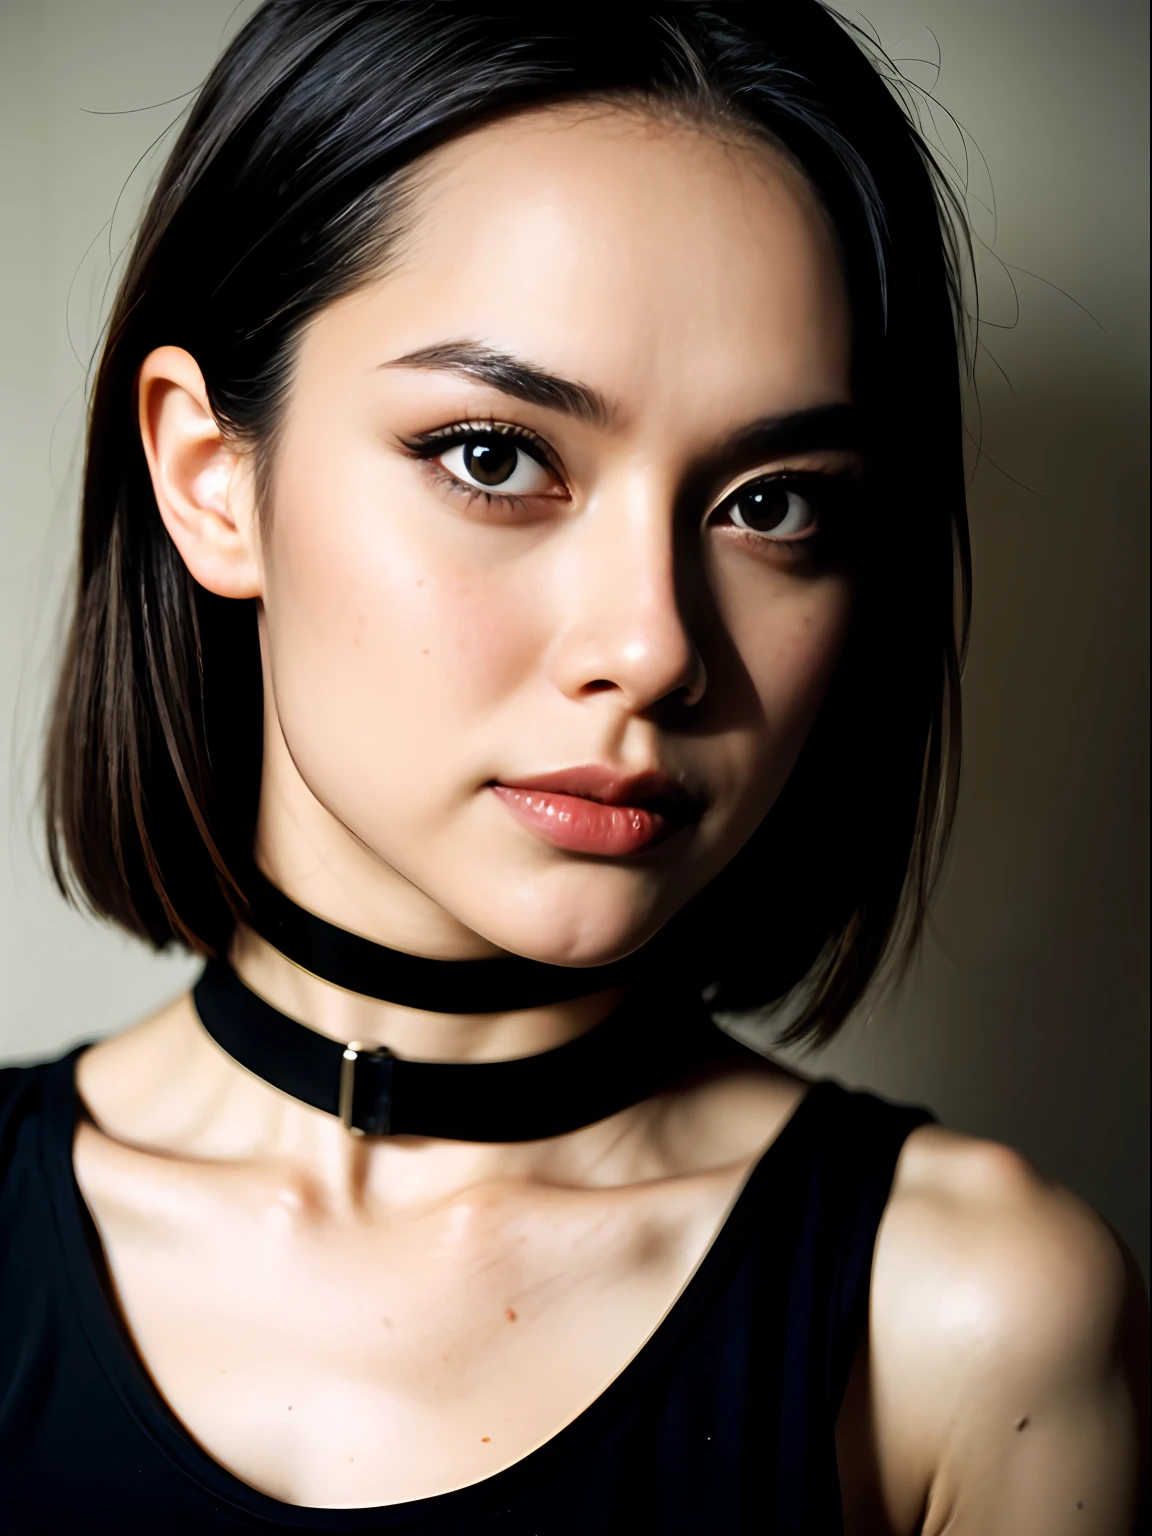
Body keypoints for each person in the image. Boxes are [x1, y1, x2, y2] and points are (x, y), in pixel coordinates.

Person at [0, 3, 1145, 1531]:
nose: (656, 644)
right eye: (496, 455)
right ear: (213, 479)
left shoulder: (969, 1321)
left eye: (776, 502)